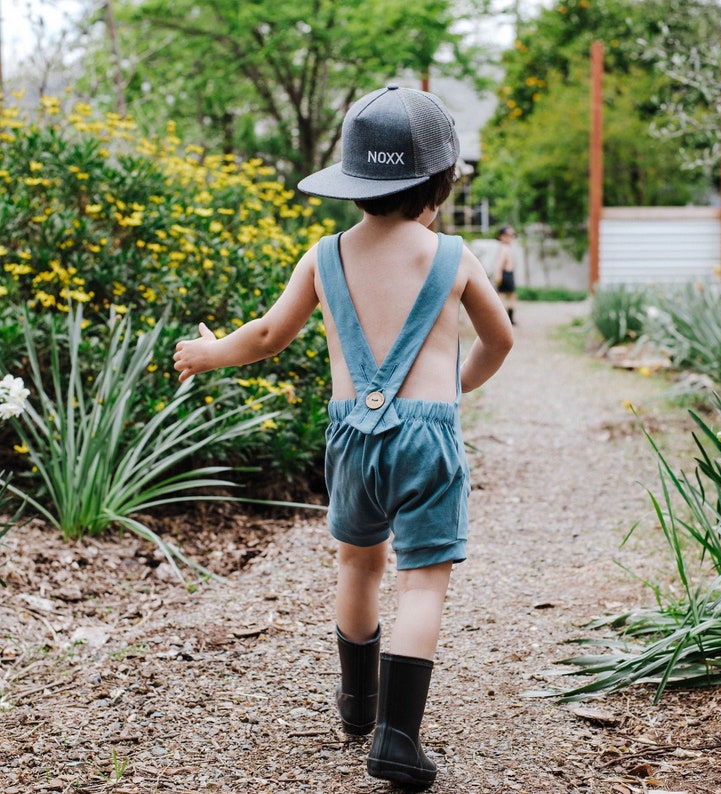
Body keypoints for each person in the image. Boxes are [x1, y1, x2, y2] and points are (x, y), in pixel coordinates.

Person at [173, 84, 513, 789]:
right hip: (427, 437)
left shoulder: (323, 256)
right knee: (424, 583)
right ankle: (395, 737)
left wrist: (207, 353)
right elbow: (499, 340)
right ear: (440, 183)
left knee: (359, 565)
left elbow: (268, 335)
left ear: (353, 185)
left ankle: (357, 703)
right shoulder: (453, 255)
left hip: (353, 434)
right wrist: (454, 390)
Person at [494, 224, 517, 325]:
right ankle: (502, 318)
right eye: (508, 235)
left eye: (512, 235)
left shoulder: (507, 247)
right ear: (501, 236)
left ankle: (507, 318)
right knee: (504, 296)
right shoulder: (504, 248)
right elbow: (500, 263)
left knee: (507, 296)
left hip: (509, 274)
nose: (511, 237)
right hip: (505, 274)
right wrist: (498, 274)